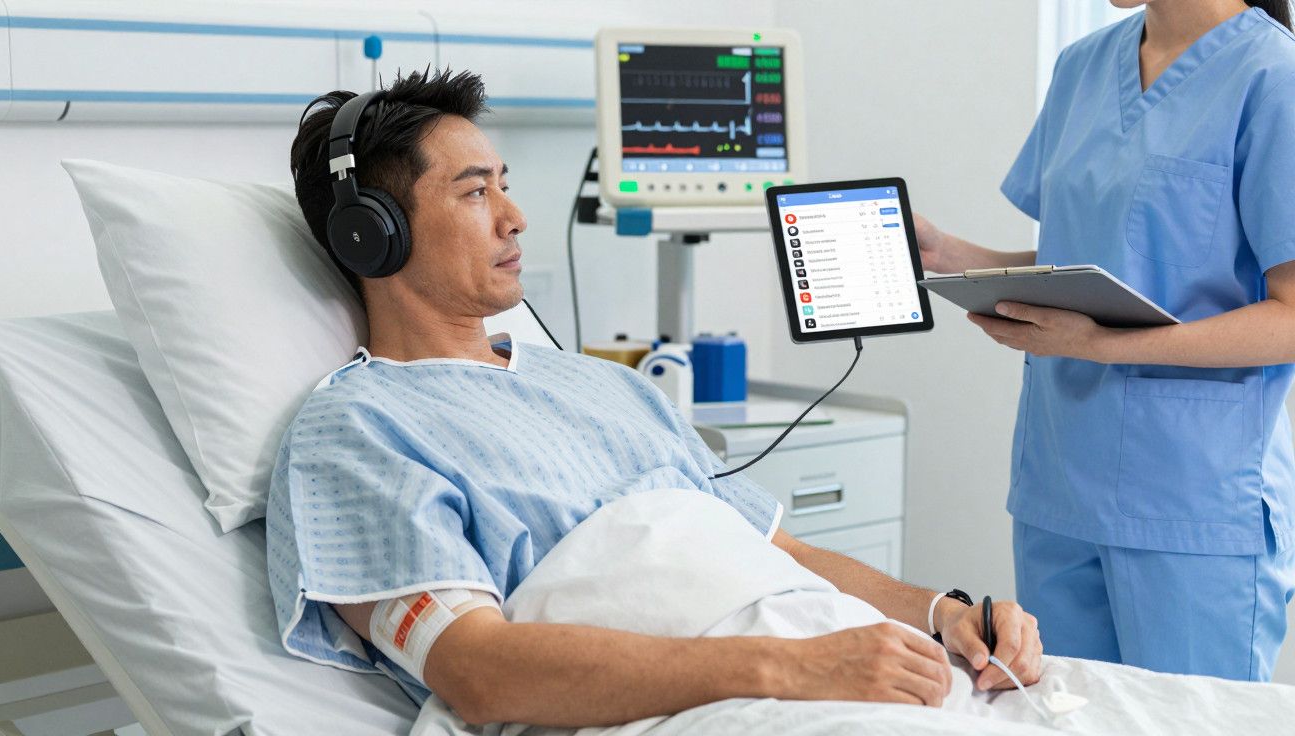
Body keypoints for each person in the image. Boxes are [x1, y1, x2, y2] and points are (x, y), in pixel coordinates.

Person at [265, 69, 1042, 728]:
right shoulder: (358, 429)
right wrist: (793, 667)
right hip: (709, 704)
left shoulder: (600, 380)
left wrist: (944, 614)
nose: (515, 216)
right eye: (475, 193)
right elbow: (474, 667)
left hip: (815, 660)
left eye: (505, 185)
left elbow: (784, 557)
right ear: (372, 234)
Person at [914, 0, 1295, 681]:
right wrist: (947, 253)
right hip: (1061, 482)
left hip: (1192, 500)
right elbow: (1086, 257)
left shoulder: (1274, 76)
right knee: (1063, 717)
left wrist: (1106, 345)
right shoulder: (1083, 67)